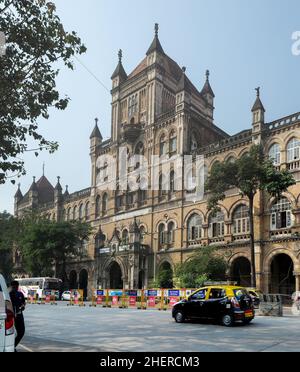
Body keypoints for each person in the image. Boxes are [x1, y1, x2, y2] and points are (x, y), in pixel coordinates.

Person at [9, 280, 26, 351]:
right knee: (10, 333)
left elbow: (23, 303)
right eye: (13, 287)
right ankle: (11, 347)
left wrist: (23, 306)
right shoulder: (8, 295)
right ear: (11, 287)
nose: (15, 288)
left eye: (16, 287)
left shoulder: (20, 294)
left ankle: (13, 346)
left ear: (18, 287)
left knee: (21, 332)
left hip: (19, 315)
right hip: (11, 317)